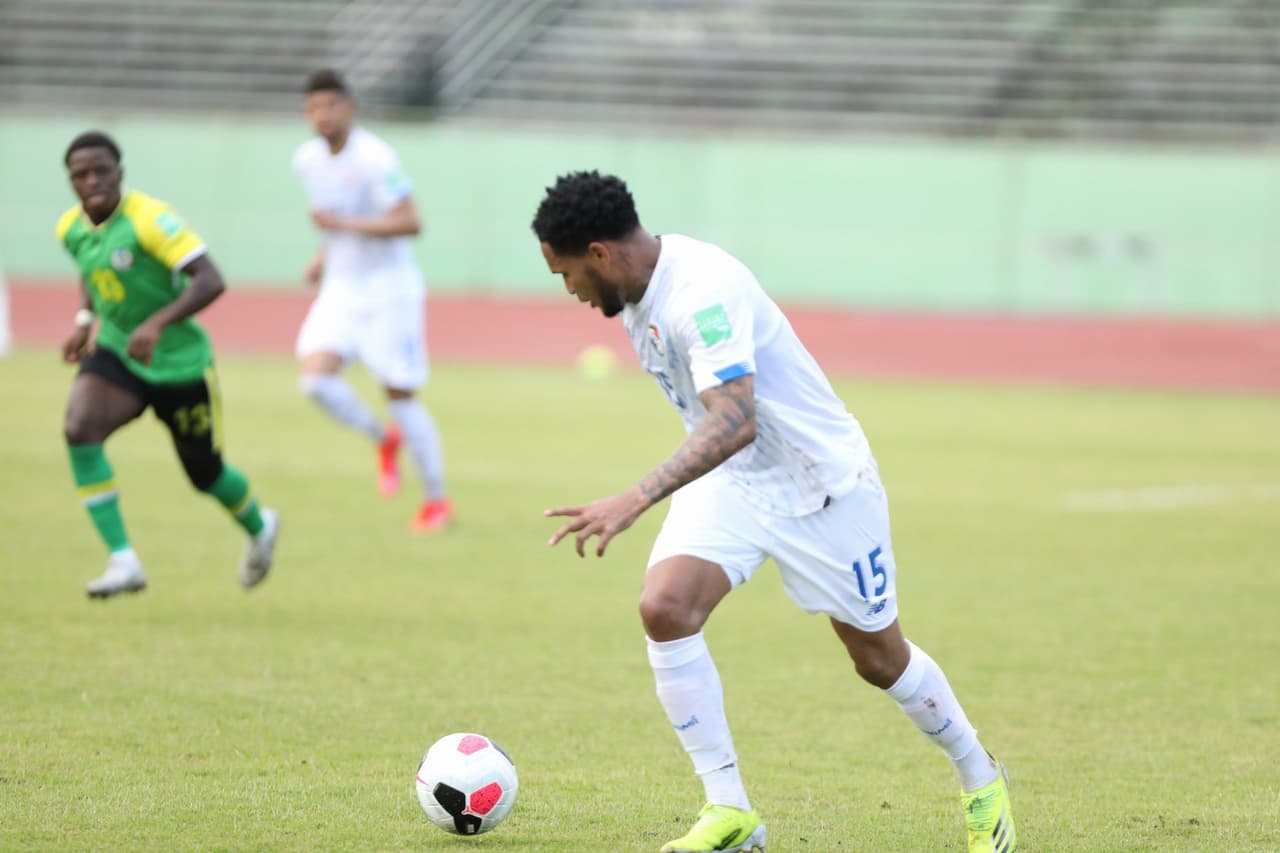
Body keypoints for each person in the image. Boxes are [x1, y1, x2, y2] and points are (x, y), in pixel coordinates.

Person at [533, 171, 1017, 853]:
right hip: (733, 482)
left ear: (600, 252)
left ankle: (981, 776)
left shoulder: (702, 292)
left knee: (879, 658)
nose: (571, 290)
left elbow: (735, 421)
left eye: (568, 272)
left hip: (821, 485)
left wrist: (635, 496)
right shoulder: (637, 293)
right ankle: (729, 810)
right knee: (665, 607)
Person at [57, 131, 280, 598]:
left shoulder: (150, 220)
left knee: (205, 473)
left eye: (101, 170)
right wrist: (85, 319)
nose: (92, 180)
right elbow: (91, 266)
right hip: (120, 353)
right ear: (71, 181)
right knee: (79, 428)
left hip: (179, 365)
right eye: (81, 174)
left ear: (120, 173)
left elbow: (211, 279)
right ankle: (123, 560)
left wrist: (157, 323)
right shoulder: (71, 229)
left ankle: (260, 527)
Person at [291, 68, 452, 533]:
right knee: (314, 382)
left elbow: (410, 222)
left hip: (389, 290)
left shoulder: (377, 158)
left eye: (330, 106)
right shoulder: (307, 159)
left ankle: (436, 501)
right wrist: (323, 256)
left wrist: (338, 228)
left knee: (400, 395)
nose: (321, 115)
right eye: (313, 108)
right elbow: (334, 216)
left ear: (350, 108)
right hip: (341, 287)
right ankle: (383, 439)